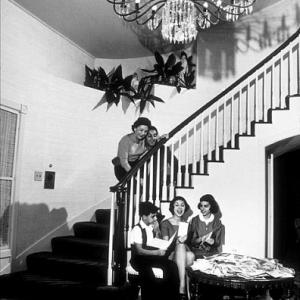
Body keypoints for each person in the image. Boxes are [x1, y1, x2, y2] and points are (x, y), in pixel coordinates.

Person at [130, 202, 180, 300]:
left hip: (151, 257)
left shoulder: (151, 227)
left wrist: (157, 231)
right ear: (144, 216)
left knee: (172, 266)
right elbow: (139, 251)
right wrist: (157, 253)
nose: (155, 219)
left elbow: (156, 242)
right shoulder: (137, 229)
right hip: (139, 259)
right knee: (148, 273)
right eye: (152, 216)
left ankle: (172, 296)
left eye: (155, 216)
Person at [160, 196, 195, 299]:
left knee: (191, 255)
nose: (180, 208)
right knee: (181, 245)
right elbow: (165, 245)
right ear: (172, 207)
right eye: (177, 205)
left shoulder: (186, 224)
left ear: (185, 208)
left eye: (182, 205)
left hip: (184, 253)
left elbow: (189, 243)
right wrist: (177, 241)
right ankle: (183, 286)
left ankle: (183, 289)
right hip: (171, 254)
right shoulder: (165, 223)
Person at [187, 194, 225, 259]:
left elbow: (218, 243)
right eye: (201, 206)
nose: (203, 208)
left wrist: (213, 241)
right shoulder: (194, 220)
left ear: (211, 206)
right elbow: (190, 241)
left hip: (212, 254)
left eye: (206, 206)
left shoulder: (217, 222)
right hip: (196, 254)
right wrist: (201, 239)